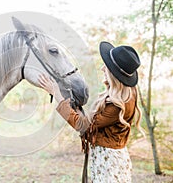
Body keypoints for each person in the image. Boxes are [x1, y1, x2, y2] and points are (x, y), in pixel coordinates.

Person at [39, 41, 142, 183]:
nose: (102, 68)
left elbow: (82, 126)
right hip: (107, 159)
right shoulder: (125, 95)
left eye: (106, 67)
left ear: (114, 74)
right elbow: (92, 124)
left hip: (108, 163)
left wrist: (57, 95)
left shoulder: (117, 105)